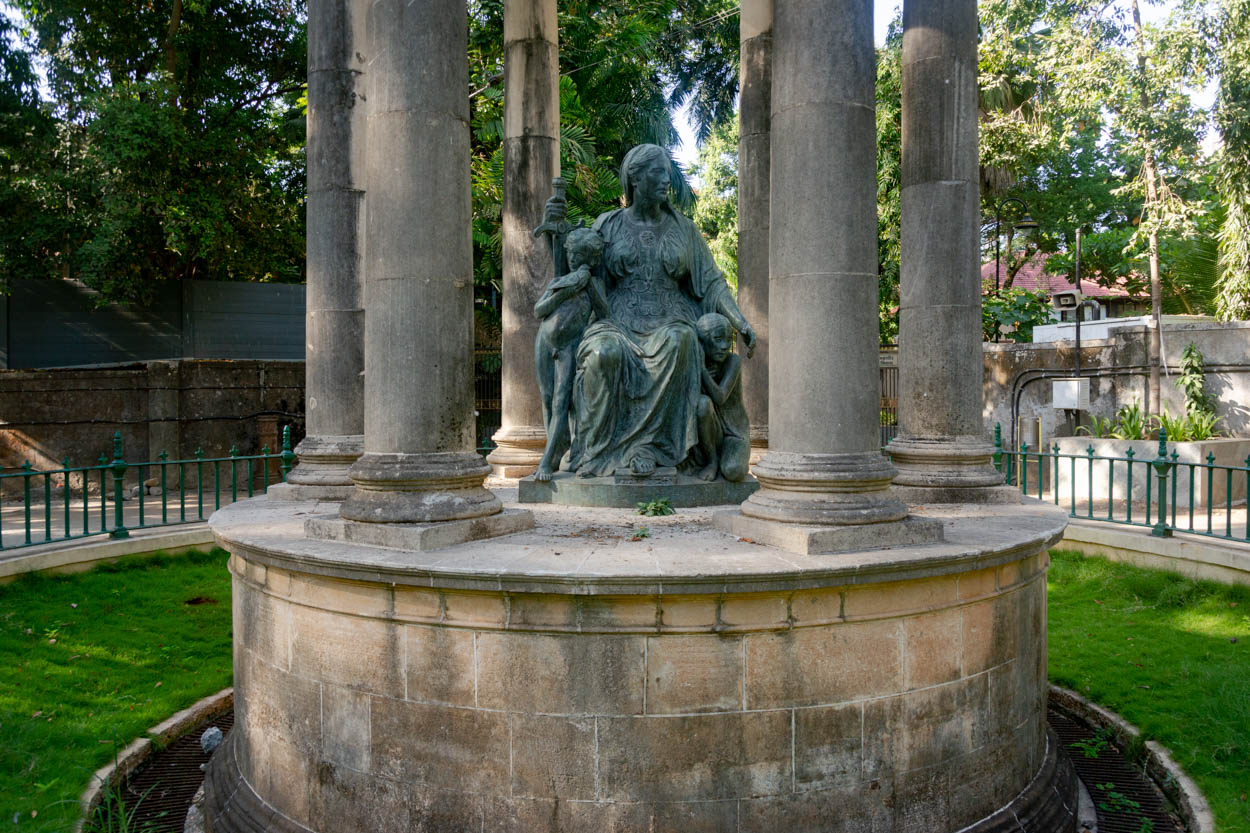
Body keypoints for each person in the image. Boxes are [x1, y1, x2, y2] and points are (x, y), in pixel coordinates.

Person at [541, 143, 756, 479]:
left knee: (682, 341)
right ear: (635, 178)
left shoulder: (684, 229)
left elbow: (713, 283)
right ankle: (597, 454)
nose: (667, 180)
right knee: (603, 353)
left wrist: (739, 322)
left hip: (671, 319)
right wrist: (555, 234)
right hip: (614, 320)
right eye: (658, 172)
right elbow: (576, 267)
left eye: (667, 173)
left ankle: (655, 452)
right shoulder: (608, 224)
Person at [532, 227, 606, 481]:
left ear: (592, 259)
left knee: (560, 402)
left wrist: (587, 285)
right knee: (546, 398)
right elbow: (539, 310)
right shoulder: (560, 282)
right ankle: (554, 452)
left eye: (580, 256)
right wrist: (566, 290)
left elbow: (605, 313)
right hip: (544, 341)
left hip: (569, 347)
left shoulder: (595, 284)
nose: (574, 260)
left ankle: (545, 462)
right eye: (572, 254)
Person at [691, 312, 749, 482]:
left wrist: (703, 372)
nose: (724, 346)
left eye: (728, 340)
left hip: (734, 435)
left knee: (733, 471)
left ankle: (728, 458)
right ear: (702, 343)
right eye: (718, 339)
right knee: (702, 404)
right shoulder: (692, 363)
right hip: (710, 432)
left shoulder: (733, 361)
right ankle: (712, 461)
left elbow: (720, 397)